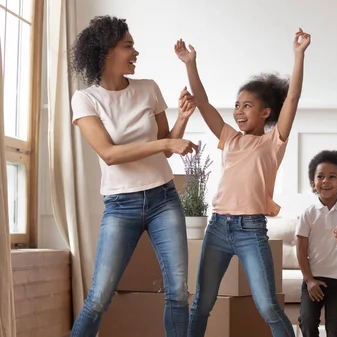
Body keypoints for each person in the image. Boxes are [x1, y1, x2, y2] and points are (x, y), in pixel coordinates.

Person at [174, 28, 311, 337]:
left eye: (247, 105)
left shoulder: (273, 142)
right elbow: (204, 103)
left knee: (268, 307)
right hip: (218, 228)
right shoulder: (230, 139)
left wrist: (299, 55)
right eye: (237, 105)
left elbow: (293, 97)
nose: (238, 111)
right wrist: (189, 63)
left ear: (266, 113)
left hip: (251, 230)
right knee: (201, 304)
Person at [69, 15, 198, 337]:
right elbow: (109, 154)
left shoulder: (148, 89)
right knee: (99, 296)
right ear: (106, 52)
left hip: (163, 198)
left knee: (178, 290)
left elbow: (167, 149)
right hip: (120, 205)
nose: (135, 52)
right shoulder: (85, 99)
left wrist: (181, 119)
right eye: (128, 46)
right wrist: (167, 141)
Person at [295, 150, 337, 337]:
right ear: (313, 184)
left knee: (335, 329)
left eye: (332, 177)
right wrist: (309, 280)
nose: (326, 181)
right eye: (320, 177)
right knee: (307, 324)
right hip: (313, 279)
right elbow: (300, 250)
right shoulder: (308, 213)